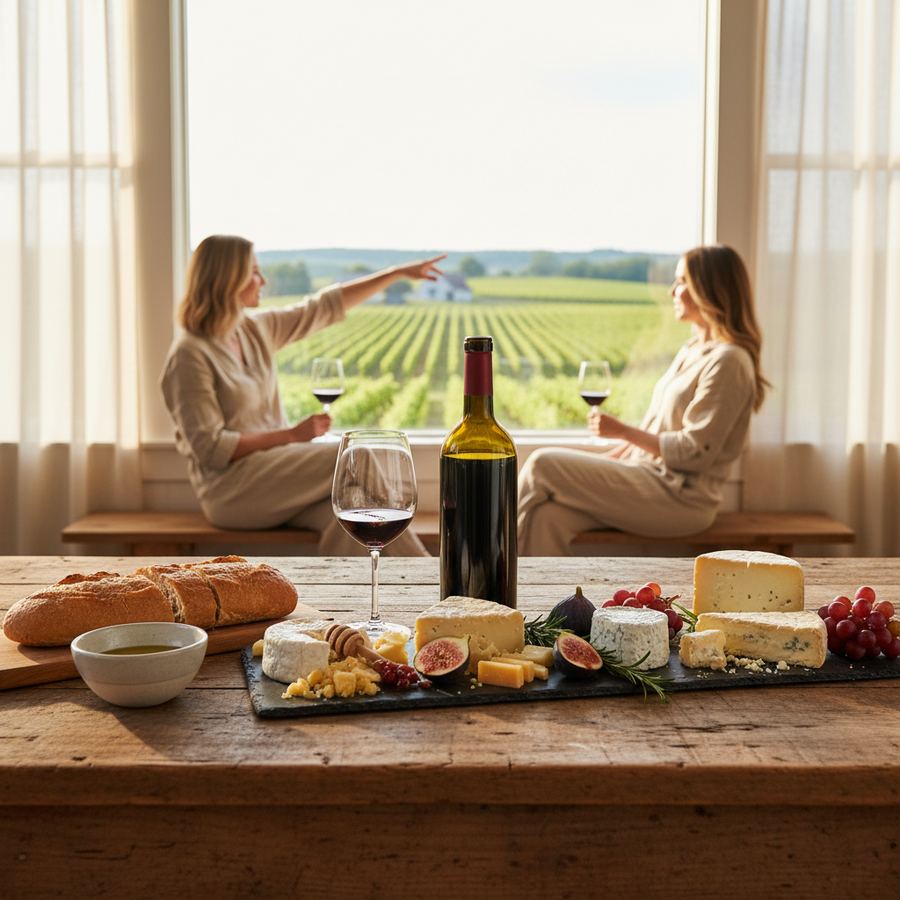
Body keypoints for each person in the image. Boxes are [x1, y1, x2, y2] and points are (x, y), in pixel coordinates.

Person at [161, 234, 444, 555]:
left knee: (346, 513)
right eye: (254, 271)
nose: (263, 280)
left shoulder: (253, 330)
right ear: (228, 279)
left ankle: (350, 602)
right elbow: (212, 449)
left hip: (279, 480)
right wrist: (293, 434)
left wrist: (394, 274)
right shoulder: (189, 354)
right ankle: (435, 590)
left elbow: (323, 307)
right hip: (231, 492)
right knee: (355, 453)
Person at [517, 244, 769, 555]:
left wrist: (622, 431)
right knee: (547, 518)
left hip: (680, 499)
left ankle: (485, 562)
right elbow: (655, 428)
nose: (672, 291)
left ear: (710, 290)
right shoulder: (692, 350)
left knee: (542, 463)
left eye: (682, 282)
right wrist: (609, 458)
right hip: (649, 480)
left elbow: (695, 453)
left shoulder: (729, 360)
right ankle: (545, 602)